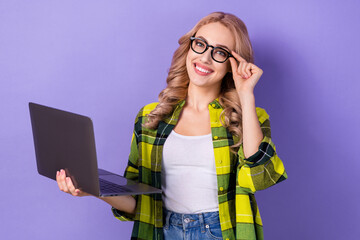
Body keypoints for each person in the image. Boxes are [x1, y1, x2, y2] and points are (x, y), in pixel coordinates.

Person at [56, 11, 287, 240]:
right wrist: (93, 188)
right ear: (189, 47)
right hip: (162, 232)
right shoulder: (151, 117)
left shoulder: (246, 117)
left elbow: (260, 178)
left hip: (220, 233)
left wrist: (246, 94)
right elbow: (138, 203)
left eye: (219, 52)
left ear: (232, 64)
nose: (205, 58)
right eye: (200, 45)